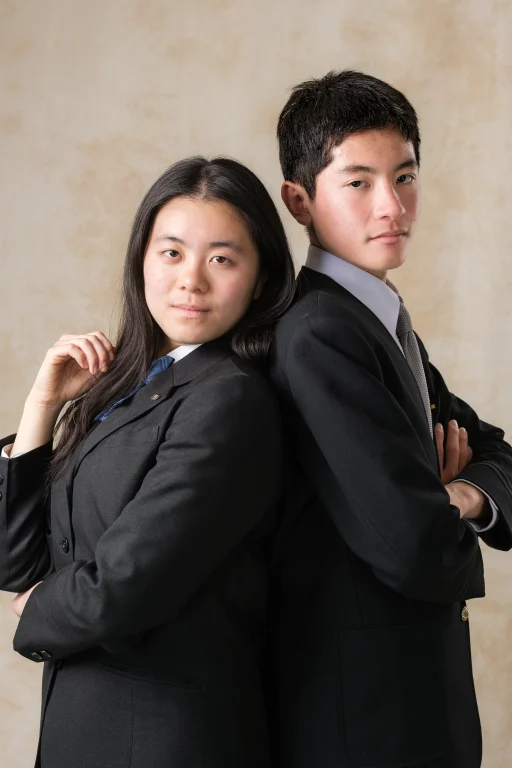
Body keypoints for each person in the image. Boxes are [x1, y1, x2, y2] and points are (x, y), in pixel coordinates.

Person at [0, 156, 295, 768]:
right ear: (141, 260)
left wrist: (40, 607)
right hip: (91, 729)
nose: (191, 281)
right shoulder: (129, 387)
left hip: (166, 740)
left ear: (261, 278)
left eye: (222, 259)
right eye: (172, 253)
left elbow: (126, 586)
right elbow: (15, 560)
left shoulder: (230, 399)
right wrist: (42, 407)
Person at [268, 70, 512, 768]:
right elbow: (411, 545)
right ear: (298, 200)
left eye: (405, 177)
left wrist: (462, 496)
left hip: (409, 699)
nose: (392, 205)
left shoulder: (377, 317)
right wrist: (433, 507)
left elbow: (497, 452)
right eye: (359, 182)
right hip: (363, 717)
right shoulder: (319, 332)